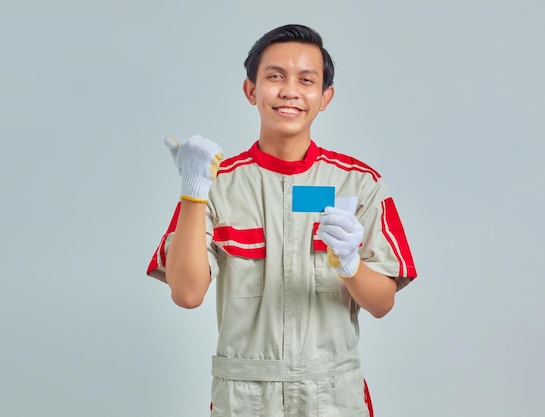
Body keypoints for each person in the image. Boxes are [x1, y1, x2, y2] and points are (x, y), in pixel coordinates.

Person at [147, 24, 417, 417]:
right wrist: (193, 192)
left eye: (306, 80)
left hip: (332, 393)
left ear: (325, 97)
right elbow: (187, 295)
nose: (290, 90)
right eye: (275, 76)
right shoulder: (216, 183)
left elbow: (382, 303)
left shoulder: (359, 183)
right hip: (244, 395)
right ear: (251, 90)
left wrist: (350, 265)